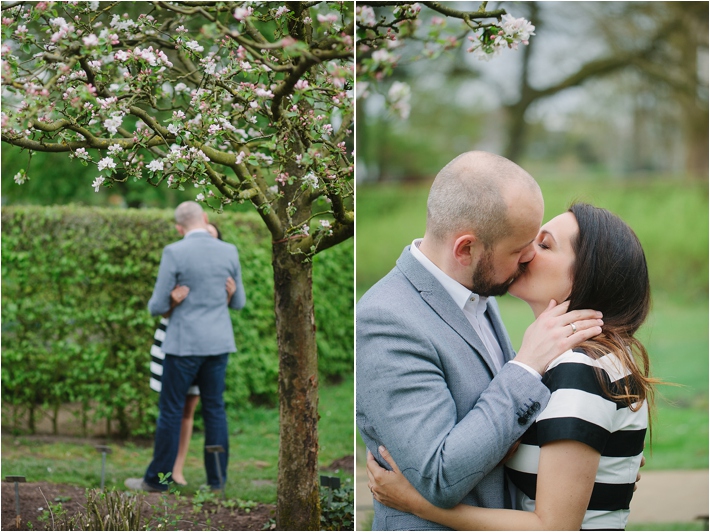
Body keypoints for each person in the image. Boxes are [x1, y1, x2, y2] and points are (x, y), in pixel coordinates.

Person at [367, 202, 656, 530]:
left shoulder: (581, 370)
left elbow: (553, 528)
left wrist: (419, 504)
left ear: (587, 276)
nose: (526, 251)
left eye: (544, 244)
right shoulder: (581, 361)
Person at [356, 151, 604, 530]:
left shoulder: (476, 293)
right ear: (466, 249)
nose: (528, 258)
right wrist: (524, 367)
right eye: (518, 248)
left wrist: (602, 470)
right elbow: (439, 475)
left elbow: (507, 432)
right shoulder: (387, 319)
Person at [126, 202, 246, 492]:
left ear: (179, 228)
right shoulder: (228, 250)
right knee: (215, 410)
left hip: (183, 346)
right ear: (205, 219)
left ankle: (158, 481)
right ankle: (217, 482)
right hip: (218, 345)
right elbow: (239, 302)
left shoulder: (174, 252)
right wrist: (227, 296)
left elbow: (155, 306)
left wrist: (172, 300)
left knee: (171, 411)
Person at [148, 223, 236, 486]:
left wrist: (228, 298)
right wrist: (172, 302)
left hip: (204, 347)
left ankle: (175, 470)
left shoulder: (220, 267)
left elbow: (218, 312)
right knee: (176, 409)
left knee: (187, 410)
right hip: (174, 341)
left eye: (211, 236)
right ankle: (171, 472)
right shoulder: (180, 261)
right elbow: (161, 309)